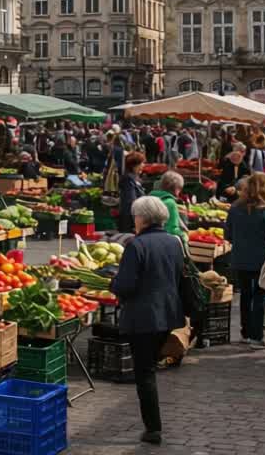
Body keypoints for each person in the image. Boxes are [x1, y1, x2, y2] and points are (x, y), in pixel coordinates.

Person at [109, 196, 184, 446]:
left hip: (143, 318)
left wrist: (112, 282)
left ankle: (153, 429)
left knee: (145, 374)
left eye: (135, 216)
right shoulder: (174, 242)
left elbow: (126, 286)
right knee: (149, 367)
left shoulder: (136, 245)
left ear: (142, 218)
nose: (134, 220)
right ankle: (152, 426)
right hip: (167, 315)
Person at [225, 173, 265, 349]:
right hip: (261, 260)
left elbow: (228, 235)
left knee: (246, 295)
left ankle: (246, 332)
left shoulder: (234, 208)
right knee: (260, 295)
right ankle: (256, 336)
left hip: (240, 259)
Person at [149, 170, 187, 240]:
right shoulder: (170, 203)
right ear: (176, 189)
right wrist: (184, 235)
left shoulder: (150, 199)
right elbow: (172, 230)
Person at [118, 152, 147, 233]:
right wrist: (136, 222)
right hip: (130, 221)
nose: (143, 165)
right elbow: (131, 202)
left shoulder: (135, 179)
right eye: (142, 163)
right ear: (134, 165)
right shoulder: (128, 180)